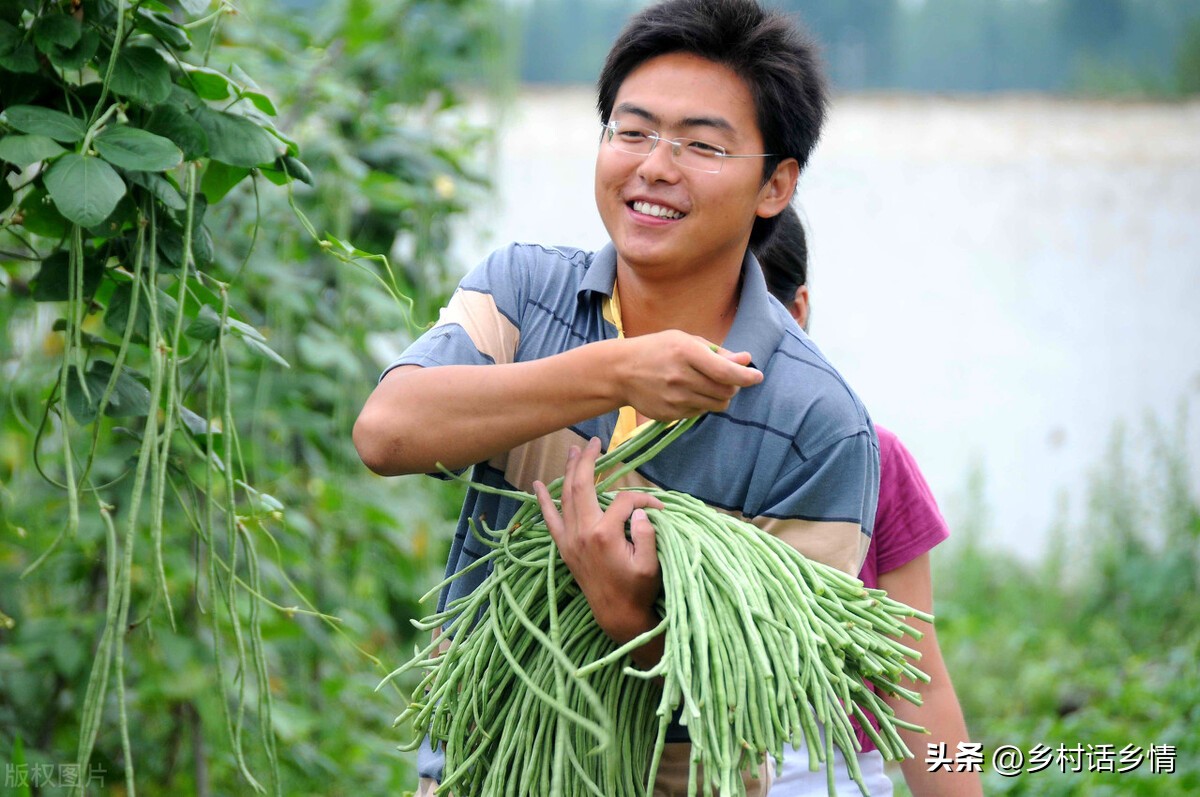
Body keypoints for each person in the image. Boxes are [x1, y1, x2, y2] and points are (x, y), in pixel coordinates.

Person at [353, 1, 879, 793]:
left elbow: (775, 697)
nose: (655, 167)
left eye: (703, 145)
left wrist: (633, 620)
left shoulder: (820, 424)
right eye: (632, 132)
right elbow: (386, 433)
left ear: (775, 184)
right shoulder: (522, 293)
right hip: (471, 774)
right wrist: (617, 371)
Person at [754, 206, 984, 797]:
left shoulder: (872, 461)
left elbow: (918, 683)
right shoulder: (628, 470)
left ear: (795, 312)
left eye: (734, 312)